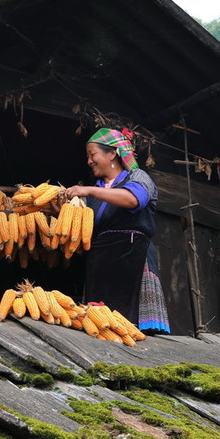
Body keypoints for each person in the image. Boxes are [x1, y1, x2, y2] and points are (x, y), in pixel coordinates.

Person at [64, 128, 170, 333]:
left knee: (134, 330)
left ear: (112, 153)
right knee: (102, 329)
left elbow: (133, 200)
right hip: (102, 266)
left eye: (92, 155)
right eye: (88, 156)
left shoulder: (137, 177)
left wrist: (89, 190)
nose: (89, 161)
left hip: (133, 258)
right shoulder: (94, 193)